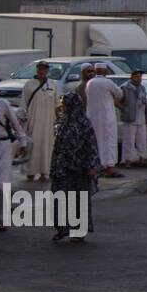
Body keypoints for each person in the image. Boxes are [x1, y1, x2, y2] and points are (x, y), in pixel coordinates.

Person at [49, 89, 98, 243]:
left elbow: (91, 146)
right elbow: (57, 145)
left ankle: (78, 231)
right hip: (62, 167)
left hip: (80, 168)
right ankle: (62, 228)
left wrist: (92, 165)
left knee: (78, 200)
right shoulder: (63, 121)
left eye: (64, 104)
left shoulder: (84, 123)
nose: (62, 106)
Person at [0, 77, 27, 230]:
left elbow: (16, 125)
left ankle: (3, 218)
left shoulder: (3, 105)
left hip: (2, 147)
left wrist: (22, 142)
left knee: (1, 183)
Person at [18, 60, 58, 181]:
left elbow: (57, 104)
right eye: (40, 68)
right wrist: (21, 118)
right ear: (37, 69)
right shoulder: (29, 84)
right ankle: (30, 171)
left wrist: (58, 119)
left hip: (48, 122)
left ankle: (44, 171)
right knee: (32, 145)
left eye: (44, 69)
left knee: (46, 146)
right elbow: (23, 103)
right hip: (32, 121)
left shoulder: (52, 84)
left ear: (47, 70)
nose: (42, 71)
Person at [85, 63, 123, 178]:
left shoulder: (89, 83)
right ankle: (109, 167)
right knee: (109, 141)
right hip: (106, 117)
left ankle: (97, 166)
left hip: (92, 117)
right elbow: (119, 94)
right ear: (105, 72)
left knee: (96, 141)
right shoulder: (107, 82)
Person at [118, 69, 147, 168]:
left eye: (140, 76)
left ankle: (142, 159)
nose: (139, 78)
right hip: (130, 118)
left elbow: (145, 103)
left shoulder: (142, 88)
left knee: (142, 140)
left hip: (141, 118)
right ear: (131, 77)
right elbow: (117, 101)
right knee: (129, 140)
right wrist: (124, 109)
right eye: (136, 76)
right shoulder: (125, 88)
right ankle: (127, 160)